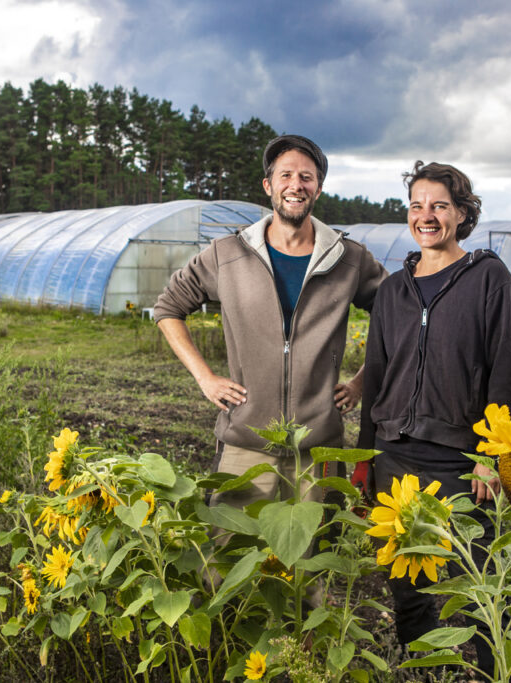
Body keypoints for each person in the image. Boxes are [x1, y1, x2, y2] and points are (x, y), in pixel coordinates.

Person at [354, 161, 511, 677]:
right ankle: (427, 669)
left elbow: (508, 374)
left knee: (473, 582)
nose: (425, 216)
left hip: (458, 459)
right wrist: (365, 458)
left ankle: (494, 670)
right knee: (406, 580)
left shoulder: (489, 280)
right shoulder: (392, 290)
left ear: (462, 214)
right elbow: (377, 376)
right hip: (393, 452)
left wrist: (494, 458)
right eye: (416, 206)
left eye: (439, 206)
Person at [153, 134, 387, 509]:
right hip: (245, 442)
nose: (296, 185)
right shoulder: (226, 255)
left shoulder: (349, 259)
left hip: (318, 448)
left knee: (310, 562)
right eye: (286, 175)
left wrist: (360, 382)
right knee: (226, 559)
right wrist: (205, 378)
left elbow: (397, 317)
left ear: (319, 188)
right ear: (269, 185)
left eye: (307, 177)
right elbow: (167, 309)